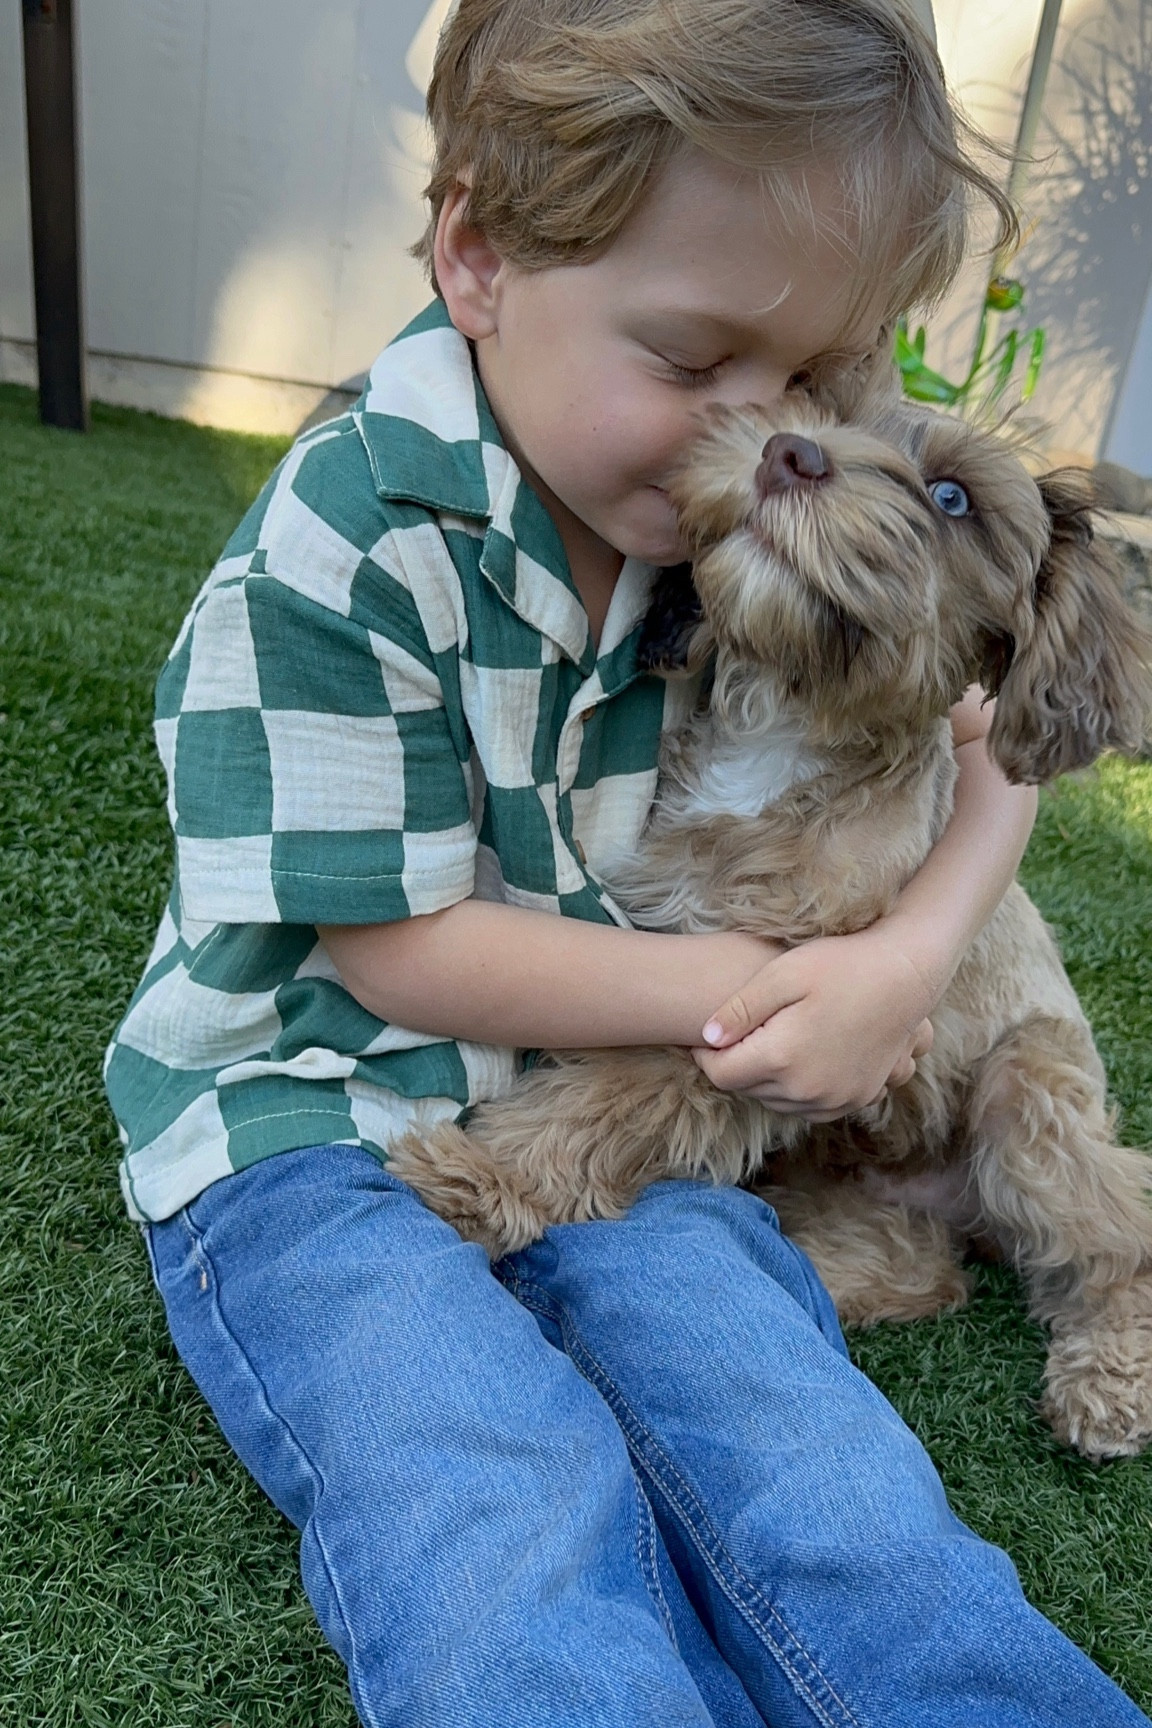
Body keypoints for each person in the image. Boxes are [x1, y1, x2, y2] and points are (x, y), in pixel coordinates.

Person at [105, 2, 1150, 1723]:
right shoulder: (346, 544)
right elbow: (398, 952)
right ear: (479, 256)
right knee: (492, 1500)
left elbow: (993, 736)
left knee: (815, 1465)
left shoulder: (698, 532)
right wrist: (759, 993)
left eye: (810, 381)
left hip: (624, 1104)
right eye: (691, 366)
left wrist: (905, 960)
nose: (765, 438)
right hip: (314, 1122)